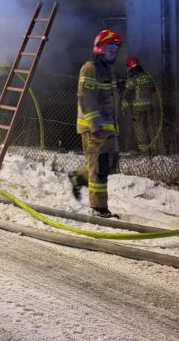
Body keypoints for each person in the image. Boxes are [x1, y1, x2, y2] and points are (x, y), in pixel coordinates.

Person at [69, 29, 123, 218]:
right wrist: (95, 126)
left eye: (117, 45)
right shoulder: (90, 68)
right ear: (99, 46)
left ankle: (77, 177)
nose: (114, 49)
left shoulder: (110, 71)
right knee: (99, 168)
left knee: (108, 165)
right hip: (94, 129)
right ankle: (99, 208)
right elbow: (86, 98)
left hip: (108, 129)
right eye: (110, 45)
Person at [124, 56, 162, 156]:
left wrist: (124, 107)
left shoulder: (132, 78)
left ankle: (144, 153)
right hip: (150, 106)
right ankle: (154, 151)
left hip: (138, 108)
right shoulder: (148, 76)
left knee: (140, 130)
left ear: (130, 67)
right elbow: (153, 89)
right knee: (151, 128)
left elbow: (128, 94)